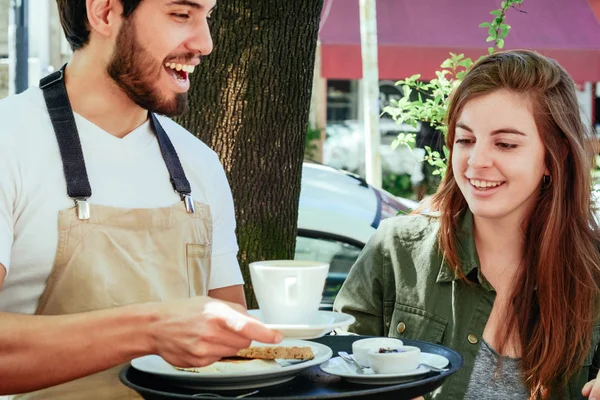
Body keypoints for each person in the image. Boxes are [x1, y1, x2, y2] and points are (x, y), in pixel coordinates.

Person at [0, 0, 282, 398]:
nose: (205, 43)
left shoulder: (198, 162)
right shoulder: (8, 142)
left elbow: (233, 351)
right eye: (181, 14)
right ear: (103, 13)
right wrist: (151, 330)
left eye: (208, 16)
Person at [334, 49, 600, 399]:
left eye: (505, 144)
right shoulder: (395, 251)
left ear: (556, 155)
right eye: (466, 140)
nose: (476, 162)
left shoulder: (592, 272)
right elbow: (332, 375)